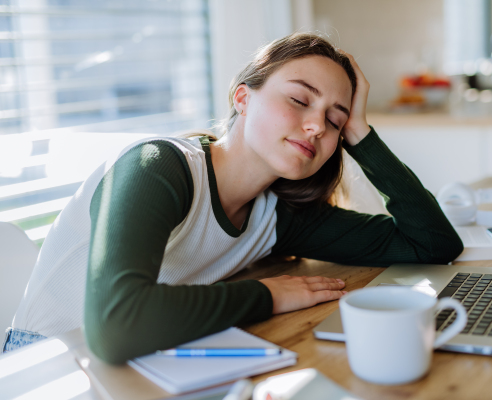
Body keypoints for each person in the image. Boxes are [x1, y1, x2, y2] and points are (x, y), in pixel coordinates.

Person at [3, 33, 463, 363]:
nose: (317, 127)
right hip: (47, 364)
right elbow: (115, 326)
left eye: (335, 120)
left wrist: (361, 132)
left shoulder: (278, 214)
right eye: (301, 100)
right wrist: (267, 295)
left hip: (148, 358)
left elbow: (432, 244)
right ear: (243, 97)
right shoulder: (158, 166)